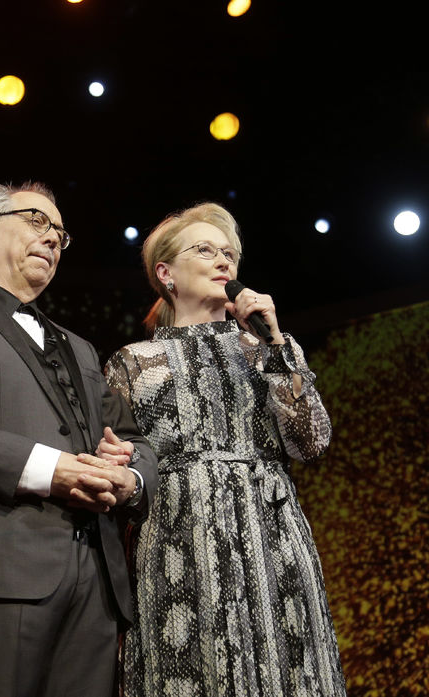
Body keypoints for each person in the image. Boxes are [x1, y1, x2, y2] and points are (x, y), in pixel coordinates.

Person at [0, 181, 159, 697]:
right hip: (0, 564)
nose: (53, 238)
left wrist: (127, 476)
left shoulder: (81, 348)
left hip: (97, 580)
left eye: (60, 232)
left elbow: (136, 442)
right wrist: (53, 470)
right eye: (37, 221)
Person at [103, 202, 347, 696]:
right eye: (204, 250)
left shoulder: (270, 350)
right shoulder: (133, 362)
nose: (223, 261)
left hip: (271, 540)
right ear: (166, 273)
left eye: (229, 254)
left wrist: (275, 344)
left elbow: (312, 442)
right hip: (177, 540)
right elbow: (122, 464)